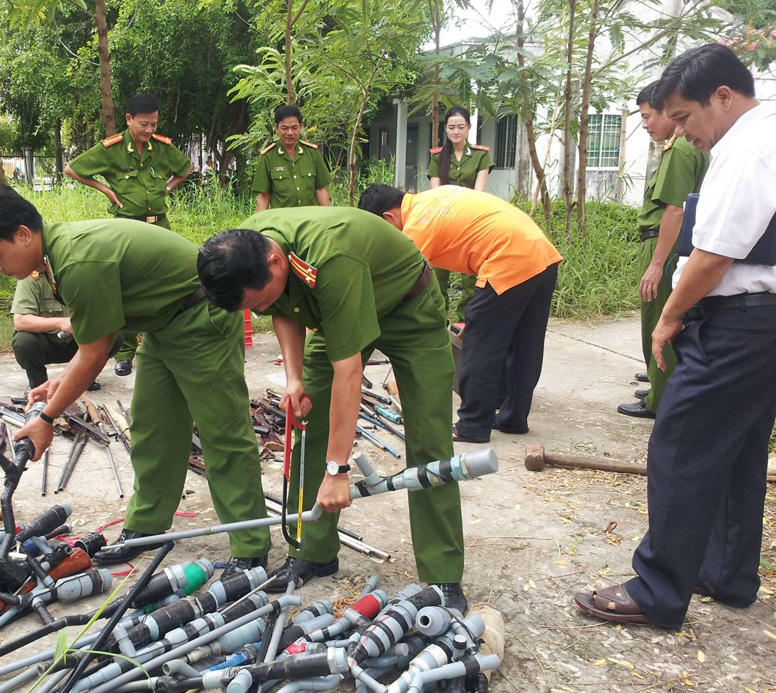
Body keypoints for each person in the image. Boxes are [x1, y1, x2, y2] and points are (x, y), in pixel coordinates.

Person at [0, 183, 270, 572]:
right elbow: (91, 341)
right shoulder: (54, 256)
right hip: (162, 325)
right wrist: (61, 382)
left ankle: (251, 546)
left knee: (222, 436)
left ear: (22, 234)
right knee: (153, 431)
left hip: (200, 319)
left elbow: (96, 352)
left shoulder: (77, 260)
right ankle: (146, 528)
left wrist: (47, 418)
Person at [575, 44, 776, 628]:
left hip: (739, 322)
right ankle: (727, 574)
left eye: (685, 118)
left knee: (681, 444)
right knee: (738, 450)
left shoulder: (747, 147)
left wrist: (670, 316)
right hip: (762, 323)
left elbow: (714, 256)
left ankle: (660, 588)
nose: (684, 133)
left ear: (723, 96)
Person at [198, 208, 466, 608]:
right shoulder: (252, 253)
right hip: (331, 312)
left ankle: (443, 576)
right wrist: (293, 379)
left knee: (429, 438)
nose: (260, 307)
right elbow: (282, 309)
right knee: (308, 422)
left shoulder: (329, 258)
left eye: (261, 297)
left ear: (275, 261)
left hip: (406, 308)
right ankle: (311, 552)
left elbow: (350, 373)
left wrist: (338, 470)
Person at [359, 184, 561, 443]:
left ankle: (473, 424)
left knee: (481, 342)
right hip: (542, 255)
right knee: (525, 344)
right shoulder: (433, 198)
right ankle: (513, 418)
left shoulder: (417, 226)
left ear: (388, 217)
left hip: (509, 258)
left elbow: (398, 282)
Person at [64, 94, 192, 377]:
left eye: (154, 124)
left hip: (159, 225)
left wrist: (168, 188)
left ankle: (170, 341)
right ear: (128, 119)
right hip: (126, 227)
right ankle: (125, 353)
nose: (149, 130)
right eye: (144, 124)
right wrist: (107, 190)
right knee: (128, 289)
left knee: (174, 281)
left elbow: (186, 168)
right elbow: (72, 169)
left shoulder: (161, 147)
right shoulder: (112, 149)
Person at [617, 81, 709, 419]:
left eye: (648, 116)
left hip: (665, 244)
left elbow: (675, 209)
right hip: (666, 241)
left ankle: (660, 400)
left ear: (667, 111)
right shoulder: (682, 146)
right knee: (658, 317)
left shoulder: (681, 149)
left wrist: (657, 265)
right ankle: (660, 385)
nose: (645, 125)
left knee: (660, 318)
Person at [427, 106, 494, 321]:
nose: (456, 132)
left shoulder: (480, 156)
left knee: (470, 275)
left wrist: (464, 214)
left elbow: (478, 194)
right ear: (445, 129)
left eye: (460, 127)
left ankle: (466, 320)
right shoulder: (438, 157)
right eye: (451, 127)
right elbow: (436, 193)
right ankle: (438, 320)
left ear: (468, 128)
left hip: (470, 221)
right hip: (444, 221)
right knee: (438, 275)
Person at [10, 275, 106, 392]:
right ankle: (39, 387)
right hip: (46, 344)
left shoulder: (85, 274)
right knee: (23, 341)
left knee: (113, 334)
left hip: (79, 343)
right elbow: (21, 321)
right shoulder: (32, 278)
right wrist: (60, 322)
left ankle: (85, 378)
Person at [252, 105, 332, 211]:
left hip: (310, 220)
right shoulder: (268, 157)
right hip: (281, 222)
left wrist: (328, 220)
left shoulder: (312, 153)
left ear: (300, 127)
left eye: (294, 128)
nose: (290, 133)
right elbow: (263, 196)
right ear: (276, 128)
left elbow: (320, 190)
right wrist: (260, 226)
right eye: (284, 128)